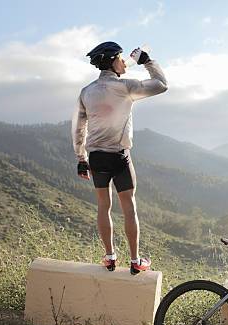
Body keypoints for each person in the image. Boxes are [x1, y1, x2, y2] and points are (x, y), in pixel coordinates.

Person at [71, 41, 168, 275]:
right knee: (129, 208)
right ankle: (135, 261)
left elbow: (78, 127)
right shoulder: (126, 87)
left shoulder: (86, 92)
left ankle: (109, 257)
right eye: (121, 58)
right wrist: (146, 61)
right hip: (120, 156)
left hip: (96, 157)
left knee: (103, 207)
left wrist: (80, 157)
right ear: (112, 61)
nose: (124, 62)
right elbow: (161, 85)